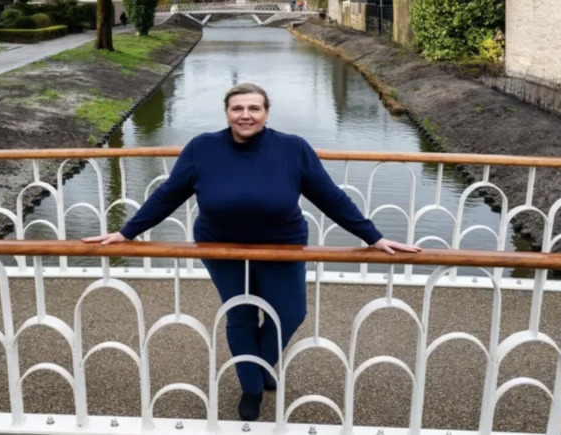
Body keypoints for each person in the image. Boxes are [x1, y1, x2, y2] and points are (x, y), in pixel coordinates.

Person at [85, 83, 419, 421]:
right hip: (221, 247)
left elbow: (330, 197)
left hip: (282, 246)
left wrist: (373, 237)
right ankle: (252, 387)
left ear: (266, 112)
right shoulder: (202, 148)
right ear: (227, 113)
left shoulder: (293, 149)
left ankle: (257, 363)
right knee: (241, 316)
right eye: (237, 108)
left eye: (254, 108)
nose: (246, 115)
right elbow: (168, 194)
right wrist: (126, 232)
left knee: (290, 313)